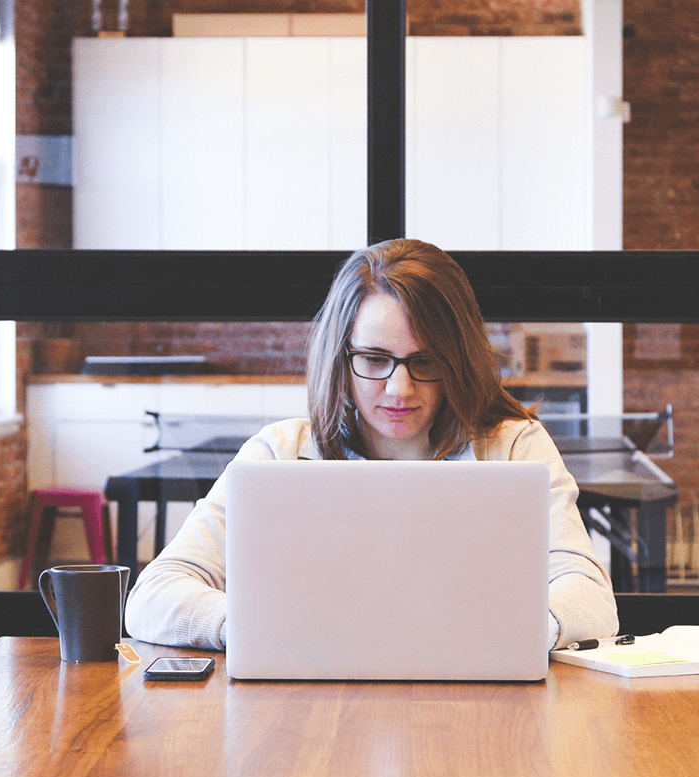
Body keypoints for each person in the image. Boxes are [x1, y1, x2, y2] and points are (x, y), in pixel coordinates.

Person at [124, 239, 620, 650]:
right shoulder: (280, 454)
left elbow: (591, 598)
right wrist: (261, 628)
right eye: (376, 359)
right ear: (341, 356)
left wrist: (509, 634)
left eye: (425, 362)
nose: (400, 389)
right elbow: (154, 597)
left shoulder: (512, 448)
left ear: (458, 359)